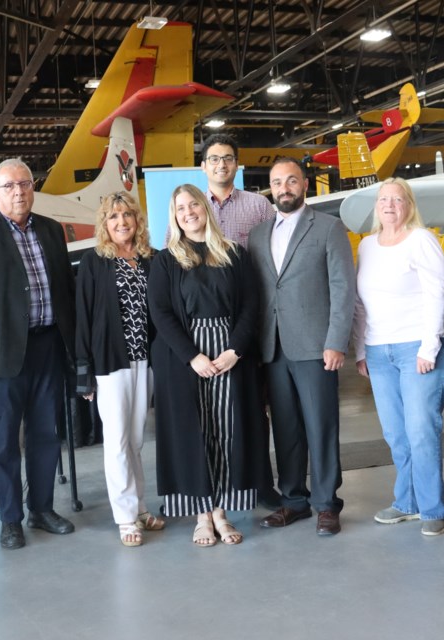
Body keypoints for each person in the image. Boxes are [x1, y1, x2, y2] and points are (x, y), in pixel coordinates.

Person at [0, 158, 76, 550]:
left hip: (49, 347)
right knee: (4, 440)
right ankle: (10, 519)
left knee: (46, 435)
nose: (18, 191)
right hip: (1, 356)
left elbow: (65, 292)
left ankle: (41, 509)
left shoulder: (53, 230)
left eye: (24, 183)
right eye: (9, 186)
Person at [147, 183, 263, 547]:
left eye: (193, 204)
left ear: (205, 208)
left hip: (229, 353)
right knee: (194, 432)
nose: (188, 212)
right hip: (186, 356)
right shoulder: (166, 261)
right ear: (175, 217)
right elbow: (161, 314)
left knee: (226, 430)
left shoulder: (234, 254)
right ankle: (202, 515)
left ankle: (222, 513)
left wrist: (235, 350)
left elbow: (250, 306)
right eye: (180, 208)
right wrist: (191, 356)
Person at [248, 157, 355, 536]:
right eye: (277, 183)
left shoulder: (328, 228)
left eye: (291, 181)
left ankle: (326, 504)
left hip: (315, 347)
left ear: (305, 185)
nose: (284, 189)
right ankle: (294, 500)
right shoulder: (258, 234)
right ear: (271, 190)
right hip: (273, 348)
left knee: (321, 426)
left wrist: (335, 341)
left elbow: (344, 289)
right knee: (287, 428)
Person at [352, 177, 444, 536]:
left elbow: (437, 292)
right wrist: (361, 349)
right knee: (396, 433)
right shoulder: (366, 246)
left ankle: (431, 508)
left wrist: (429, 347)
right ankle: (406, 502)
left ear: (409, 205)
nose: (389, 204)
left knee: (421, 430)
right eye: (383, 199)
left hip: (416, 349)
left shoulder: (421, 239)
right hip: (379, 351)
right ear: (376, 206)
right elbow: (360, 304)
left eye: (397, 199)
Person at [75, 192, 164, 547]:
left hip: (146, 360)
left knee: (137, 441)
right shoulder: (94, 261)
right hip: (110, 364)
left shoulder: (150, 260)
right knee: (117, 443)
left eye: (127, 215)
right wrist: (83, 370)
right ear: (104, 223)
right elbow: (82, 317)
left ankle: (140, 508)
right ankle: (126, 518)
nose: (121, 222)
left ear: (137, 220)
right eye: (113, 217)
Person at [198, 133, 279, 508]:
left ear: (237, 164)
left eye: (227, 158)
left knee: (254, 409)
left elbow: (275, 259)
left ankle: (261, 484)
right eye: (214, 159)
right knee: (210, 414)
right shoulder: (192, 208)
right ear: (204, 166)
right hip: (204, 326)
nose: (221, 165)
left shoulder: (259, 206)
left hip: (251, 320)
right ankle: (214, 489)